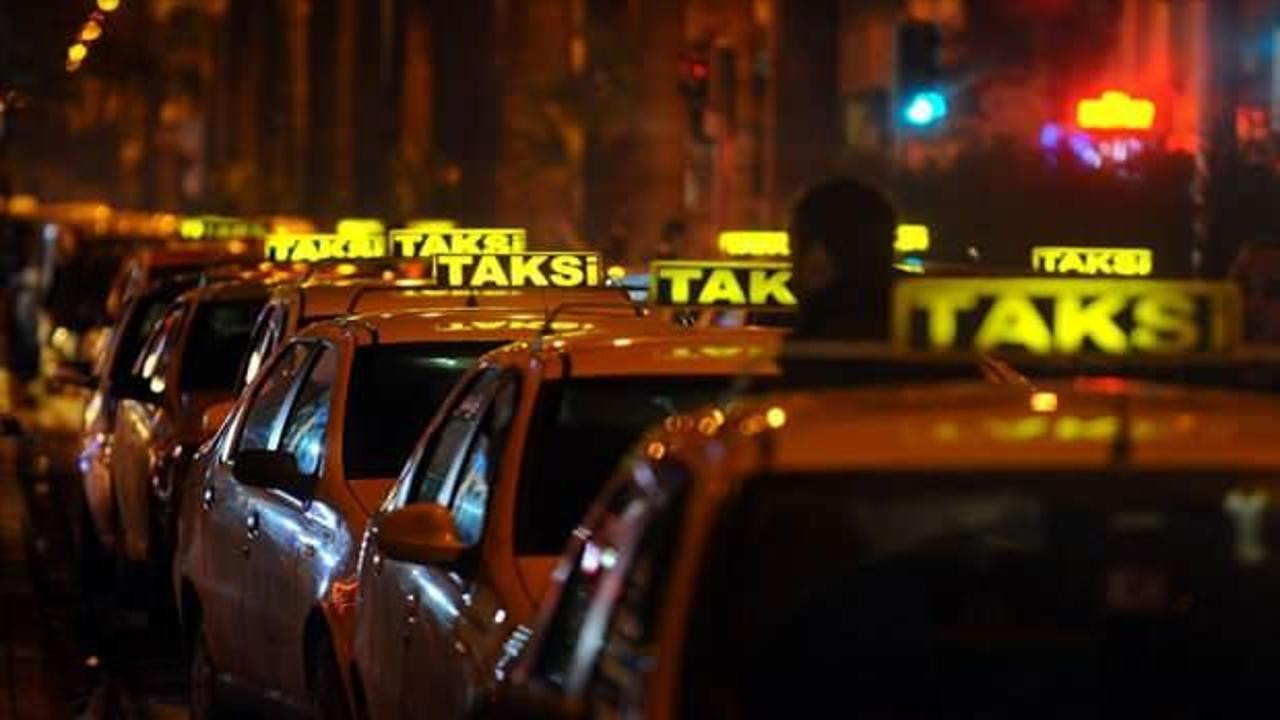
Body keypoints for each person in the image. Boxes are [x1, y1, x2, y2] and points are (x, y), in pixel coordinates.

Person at [787, 177, 898, 341]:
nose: (790, 277)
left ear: (818, 257)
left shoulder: (814, 343)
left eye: (793, 249)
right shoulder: (909, 335)